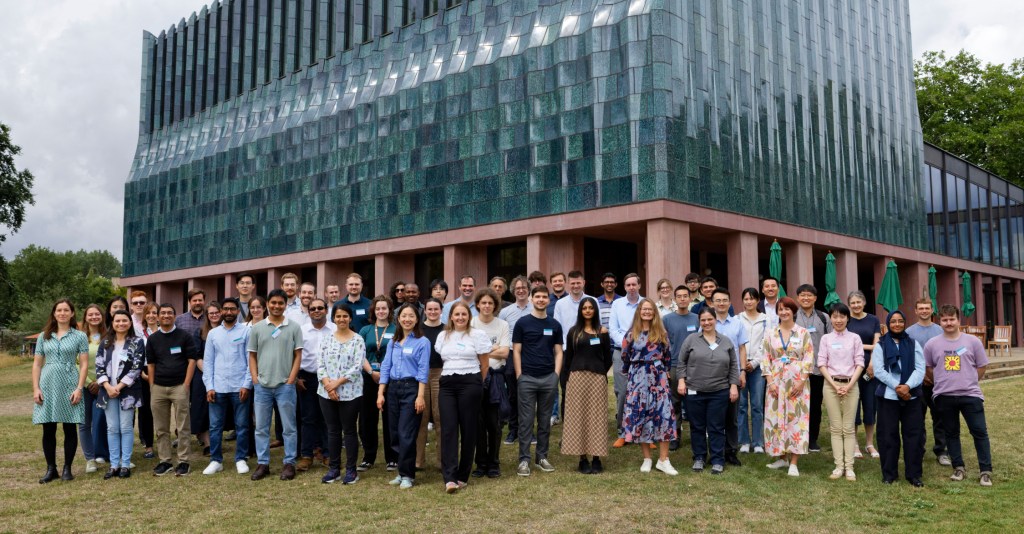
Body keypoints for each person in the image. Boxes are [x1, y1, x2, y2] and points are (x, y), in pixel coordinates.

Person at [924, 305, 993, 487]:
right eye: (945, 320)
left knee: (979, 432)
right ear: (939, 321)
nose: (948, 323)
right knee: (951, 433)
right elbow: (928, 368)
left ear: (958, 320)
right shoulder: (932, 344)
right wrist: (940, 382)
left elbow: (982, 366)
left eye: (951, 319)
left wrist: (969, 381)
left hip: (970, 395)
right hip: (944, 396)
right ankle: (958, 467)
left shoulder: (973, 342)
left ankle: (985, 471)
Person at [247, 289, 303, 481]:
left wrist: (291, 380)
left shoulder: (294, 327)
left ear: (285, 305)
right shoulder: (257, 328)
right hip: (262, 386)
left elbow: (298, 356)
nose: (277, 306)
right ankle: (263, 464)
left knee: (289, 427)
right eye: (273, 303)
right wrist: (255, 379)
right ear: (267, 304)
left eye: (281, 303)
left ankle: (289, 463)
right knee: (261, 428)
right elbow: (252, 355)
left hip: (285, 386)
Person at [436, 301, 492, 493]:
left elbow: (485, 364)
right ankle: (449, 478)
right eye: (456, 314)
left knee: (469, 430)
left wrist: (476, 383)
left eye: (464, 314)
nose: (460, 317)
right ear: (450, 316)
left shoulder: (478, 335)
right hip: (447, 385)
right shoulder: (443, 335)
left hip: (471, 383)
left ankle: (462, 475)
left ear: (469, 316)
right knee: (449, 429)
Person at [678, 307, 740, 474]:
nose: (706, 323)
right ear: (699, 322)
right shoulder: (691, 340)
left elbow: (734, 365)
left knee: (716, 426)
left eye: (709, 319)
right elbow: (681, 362)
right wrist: (681, 382)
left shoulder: (726, 341)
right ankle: (698, 457)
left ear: (715, 320)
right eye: (703, 320)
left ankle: (717, 459)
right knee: (697, 426)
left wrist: (733, 385)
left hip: (719, 391)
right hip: (694, 390)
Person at [32, 299, 89, 483]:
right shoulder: (44, 336)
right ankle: (51, 469)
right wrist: (36, 388)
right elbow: (37, 364)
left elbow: (84, 364)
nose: (62, 313)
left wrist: (79, 388)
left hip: (69, 382)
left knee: (69, 427)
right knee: (48, 428)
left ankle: (67, 468)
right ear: (54, 313)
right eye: (59, 310)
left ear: (72, 313)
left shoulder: (79, 336)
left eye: (66, 310)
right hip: (47, 383)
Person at [378, 303, 432, 489]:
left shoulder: (422, 342)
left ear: (417, 319)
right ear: (398, 319)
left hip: (411, 389)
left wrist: (420, 396)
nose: (407, 319)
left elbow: (423, 370)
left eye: (411, 316)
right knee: (394, 433)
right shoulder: (393, 342)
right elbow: (385, 367)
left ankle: (408, 475)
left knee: (406, 433)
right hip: (393, 389)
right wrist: (380, 393)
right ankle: (402, 472)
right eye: (404, 316)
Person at [621, 299, 677, 475]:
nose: (646, 312)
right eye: (643, 309)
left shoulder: (661, 333)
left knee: (664, 415)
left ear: (654, 312)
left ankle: (663, 460)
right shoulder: (631, 334)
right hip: (638, 379)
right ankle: (647, 458)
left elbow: (668, 355)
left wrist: (664, 372)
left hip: (658, 378)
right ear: (639, 311)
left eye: (650, 309)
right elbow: (625, 356)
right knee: (641, 415)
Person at [512, 285, 563, 477]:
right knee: (525, 421)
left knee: (544, 420)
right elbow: (516, 350)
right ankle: (524, 460)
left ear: (548, 301)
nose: (541, 299)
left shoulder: (555, 325)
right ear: (532, 299)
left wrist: (556, 374)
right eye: (538, 296)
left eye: (544, 297)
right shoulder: (522, 323)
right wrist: (519, 375)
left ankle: (541, 456)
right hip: (527, 378)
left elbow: (558, 352)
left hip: (548, 378)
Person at [318, 303, 371, 485]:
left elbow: (356, 367)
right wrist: (329, 386)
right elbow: (320, 365)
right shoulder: (326, 339)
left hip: (350, 393)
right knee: (332, 431)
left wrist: (336, 384)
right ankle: (334, 469)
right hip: (326, 393)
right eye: (338, 316)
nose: (341, 319)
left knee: (349, 431)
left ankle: (351, 470)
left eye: (345, 316)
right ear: (334, 318)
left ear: (350, 318)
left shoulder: (357, 340)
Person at [872, 310, 925, 486]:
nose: (896, 324)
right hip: (888, 397)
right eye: (893, 321)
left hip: (912, 397)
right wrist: (897, 387)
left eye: (900, 321)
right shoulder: (880, 345)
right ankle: (889, 474)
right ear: (888, 324)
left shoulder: (913, 343)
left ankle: (914, 474)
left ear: (904, 323)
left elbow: (920, 368)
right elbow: (879, 370)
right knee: (888, 436)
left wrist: (907, 386)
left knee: (914, 436)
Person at [201, 297, 253, 476]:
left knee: (242, 425)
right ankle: (216, 460)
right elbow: (208, 363)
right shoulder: (213, 334)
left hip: (240, 387)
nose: (229, 312)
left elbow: (250, 361)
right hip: (218, 387)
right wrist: (209, 386)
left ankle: (241, 458)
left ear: (238, 311)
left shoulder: (246, 331)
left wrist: (247, 384)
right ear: (221, 311)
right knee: (215, 426)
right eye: (226, 309)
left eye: (232, 309)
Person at [762, 297, 814, 477]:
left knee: (796, 418)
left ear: (793, 311)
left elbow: (809, 358)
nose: (783, 312)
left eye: (787, 309)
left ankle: (794, 461)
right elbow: (765, 358)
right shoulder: (770, 333)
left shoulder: (803, 333)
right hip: (775, 381)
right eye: (780, 309)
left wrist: (802, 381)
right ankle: (781, 457)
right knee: (776, 418)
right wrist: (770, 382)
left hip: (797, 381)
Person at [561, 297, 613, 474]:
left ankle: (596, 458)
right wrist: (568, 377)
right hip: (576, 378)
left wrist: (599, 372)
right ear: (580, 311)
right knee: (578, 417)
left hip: (597, 378)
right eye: (585, 308)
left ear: (595, 310)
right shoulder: (573, 332)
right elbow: (568, 359)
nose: (588, 310)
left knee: (596, 417)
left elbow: (608, 357)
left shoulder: (602, 331)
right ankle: (582, 458)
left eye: (591, 308)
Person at [146, 303, 198, 477]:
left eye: (170, 313)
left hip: (179, 387)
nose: (166, 315)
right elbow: (151, 364)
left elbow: (192, 360)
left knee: (183, 426)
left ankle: (183, 461)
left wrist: (186, 384)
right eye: (163, 313)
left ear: (174, 316)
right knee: (161, 427)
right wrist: (152, 386)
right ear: (158, 317)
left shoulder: (184, 336)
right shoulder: (153, 339)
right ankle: (165, 461)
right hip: (159, 388)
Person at [817, 303, 864, 480]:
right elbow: (822, 363)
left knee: (849, 428)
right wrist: (835, 385)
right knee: (836, 428)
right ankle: (839, 466)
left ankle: (849, 467)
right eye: (835, 317)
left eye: (842, 316)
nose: (838, 320)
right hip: (831, 386)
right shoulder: (826, 339)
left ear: (847, 318)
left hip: (851, 385)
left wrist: (850, 384)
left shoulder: (855, 338)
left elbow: (859, 363)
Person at [96, 310, 145, 479]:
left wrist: (120, 386)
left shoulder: (137, 342)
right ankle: (114, 465)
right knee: (112, 428)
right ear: (113, 323)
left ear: (130, 323)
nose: (121, 323)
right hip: (107, 391)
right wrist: (108, 386)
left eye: (125, 320)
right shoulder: (106, 342)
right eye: (118, 321)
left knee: (125, 427)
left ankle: (125, 464)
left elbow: (136, 367)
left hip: (128, 392)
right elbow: (99, 366)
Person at [470, 289, 511, 479]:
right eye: (483, 303)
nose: (487, 306)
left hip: (496, 378)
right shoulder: (470, 323)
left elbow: (505, 353)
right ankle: (480, 463)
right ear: (477, 304)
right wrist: (493, 347)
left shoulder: (502, 325)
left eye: (490, 303)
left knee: (494, 424)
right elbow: (470, 352)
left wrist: (483, 350)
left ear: (495, 306)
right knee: (477, 423)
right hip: (474, 377)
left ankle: (494, 463)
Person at [906, 298, 950, 466]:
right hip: (917, 383)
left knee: (940, 417)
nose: (924, 311)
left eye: (927, 308)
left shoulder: (940, 330)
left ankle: (942, 451)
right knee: (917, 418)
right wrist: (921, 375)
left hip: (939, 383)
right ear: (916, 311)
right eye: (921, 308)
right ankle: (919, 450)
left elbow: (946, 355)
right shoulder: (909, 332)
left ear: (932, 310)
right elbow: (908, 357)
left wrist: (935, 376)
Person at [357, 295, 397, 471]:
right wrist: (371, 372)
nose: (381, 311)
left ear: (390, 311)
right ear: (374, 311)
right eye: (378, 308)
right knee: (367, 418)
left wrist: (384, 374)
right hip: (369, 377)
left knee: (390, 418)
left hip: (391, 378)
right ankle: (369, 456)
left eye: (385, 308)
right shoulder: (365, 330)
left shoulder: (397, 329)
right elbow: (360, 354)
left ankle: (392, 457)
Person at [710, 288, 748, 466]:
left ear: (730, 302)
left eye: (724, 300)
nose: (721, 303)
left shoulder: (738, 323)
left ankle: (731, 451)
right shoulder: (708, 322)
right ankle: (716, 451)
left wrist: (742, 372)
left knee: (732, 416)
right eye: (717, 300)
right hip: (712, 374)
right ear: (712, 303)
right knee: (714, 416)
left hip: (732, 373)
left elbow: (742, 348)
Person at [297, 298, 335, 472]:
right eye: (313, 308)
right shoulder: (301, 331)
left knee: (328, 418)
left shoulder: (335, 329)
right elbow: (294, 355)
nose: (316, 311)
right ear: (308, 311)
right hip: (308, 379)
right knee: (308, 418)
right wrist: (297, 377)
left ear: (326, 310)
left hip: (330, 379)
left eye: (320, 308)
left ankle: (329, 454)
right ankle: (306, 455)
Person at [793, 284, 832, 452]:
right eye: (802, 295)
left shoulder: (824, 318)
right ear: (798, 298)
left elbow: (831, 340)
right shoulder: (792, 316)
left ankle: (812, 438)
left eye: (809, 295)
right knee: (796, 405)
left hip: (817, 370)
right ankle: (796, 436)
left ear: (815, 298)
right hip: (796, 371)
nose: (806, 298)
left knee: (815, 405)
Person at [662, 285, 698, 451]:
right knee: (674, 403)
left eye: (686, 296)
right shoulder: (667, 319)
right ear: (675, 299)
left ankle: (696, 435)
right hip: (675, 365)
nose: (683, 299)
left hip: (695, 366)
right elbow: (664, 344)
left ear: (690, 298)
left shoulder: (697, 318)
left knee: (693, 402)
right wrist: (666, 366)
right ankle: (675, 436)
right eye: (679, 296)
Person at [551, 270, 590, 424]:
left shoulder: (591, 301)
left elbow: (597, 327)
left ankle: (586, 423)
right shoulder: (560, 304)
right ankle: (568, 425)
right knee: (567, 389)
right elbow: (557, 328)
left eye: (578, 282)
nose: (575, 286)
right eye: (572, 283)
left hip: (588, 352)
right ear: (568, 284)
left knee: (587, 389)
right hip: (567, 352)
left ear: (583, 283)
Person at [609, 273, 643, 447]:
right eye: (628, 285)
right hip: (620, 351)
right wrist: (626, 344)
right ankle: (623, 431)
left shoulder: (645, 304)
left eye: (634, 284)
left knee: (643, 392)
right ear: (624, 287)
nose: (631, 287)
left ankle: (643, 431)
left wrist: (638, 344)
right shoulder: (617, 304)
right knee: (623, 392)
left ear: (639, 285)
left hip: (643, 354)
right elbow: (613, 329)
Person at [847, 290, 881, 459]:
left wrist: (872, 364)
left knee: (870, 406)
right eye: (852, 303)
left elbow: (878, 345)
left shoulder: (873, 319)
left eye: (858, 302)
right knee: (853, 406)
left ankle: (869, 443)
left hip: (870, 369)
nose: (856, 305)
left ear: (864, 303)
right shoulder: (846, 320)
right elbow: (845, 344)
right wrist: (866, 346)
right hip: (851, 368)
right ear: (849, 305)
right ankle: (854, 444)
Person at [498, 275, 531, 445]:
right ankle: (513, 429)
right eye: (517, 288)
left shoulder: (535, 308)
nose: (521, 290)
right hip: (511, 355)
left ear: (528, 289)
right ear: (513, 291)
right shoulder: (505, 312)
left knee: (529, 395)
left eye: (524, 287)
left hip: (530, 355)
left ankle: (529, 431)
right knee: (513, 394)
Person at [737, 288, 768, 454]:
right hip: (741, 367)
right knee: (741, 405)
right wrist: (743, 364)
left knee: (756, 405)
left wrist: (755, 362)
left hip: (757, 367)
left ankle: (757, 442)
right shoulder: (737, 319)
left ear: (758, 301)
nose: (748, 302)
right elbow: (736, 342)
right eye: (746, 299)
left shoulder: (766, 320)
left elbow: (766, 344)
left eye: (752, 299)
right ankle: (743, 441)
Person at [416, 298, 446, 470]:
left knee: (441, 418)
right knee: (421, 418)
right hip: (421, 375)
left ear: (441, 310)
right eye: (430, 309)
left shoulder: (446, 329)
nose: (433, 312)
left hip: (441, 374)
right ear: (425, 311)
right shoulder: (419, 330)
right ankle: (418, 461)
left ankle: (442, 461)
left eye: (436, 309)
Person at [79, 304, 109, 473]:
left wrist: (99, 382)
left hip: (103, 386)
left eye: (97, 314)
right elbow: (75, 362)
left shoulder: (108, 336)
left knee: (101, 420)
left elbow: (112, 361)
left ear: (102, 316)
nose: (94, 317)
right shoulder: (79, 337)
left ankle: (103, 453)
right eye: (90, 314)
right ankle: (90, 459)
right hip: (84, 386)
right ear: (85, 317)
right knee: (84, 424)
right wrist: (89, 381)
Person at [191, 302, 222, 457]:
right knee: (202, 409)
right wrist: (210, 374)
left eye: (217, 312)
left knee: (218, 409)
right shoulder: (199, 332)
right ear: (207, 315)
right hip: (202, 375)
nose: (214, 315)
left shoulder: (226, 330)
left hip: (223, 375)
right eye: (211, 313)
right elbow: (197, 356)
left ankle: (217, 441)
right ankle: (208, 443)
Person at [138, 303, 159, 459]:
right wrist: (141, 373)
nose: (152, 315)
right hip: (144, 373)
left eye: (154, 312)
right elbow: (135, 356)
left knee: (162, 410)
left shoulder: (166, 332)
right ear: (144, 316)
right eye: (148, 313)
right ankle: (149, 446)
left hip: (163, 372)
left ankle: (164, 441)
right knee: (145, 411)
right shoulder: (138, 334)